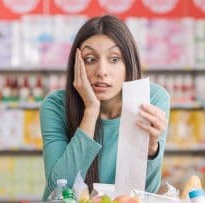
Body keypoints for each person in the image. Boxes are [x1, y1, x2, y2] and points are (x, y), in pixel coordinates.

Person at [40, 15, 170, 200]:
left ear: (129, 63)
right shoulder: (55, 105)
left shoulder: (152, 99)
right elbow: (60, 188)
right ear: (76, 64)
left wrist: (150, 149)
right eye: (90, 59)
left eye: (115, 59)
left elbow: (144, 193)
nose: (102, 71)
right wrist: (91, 110)